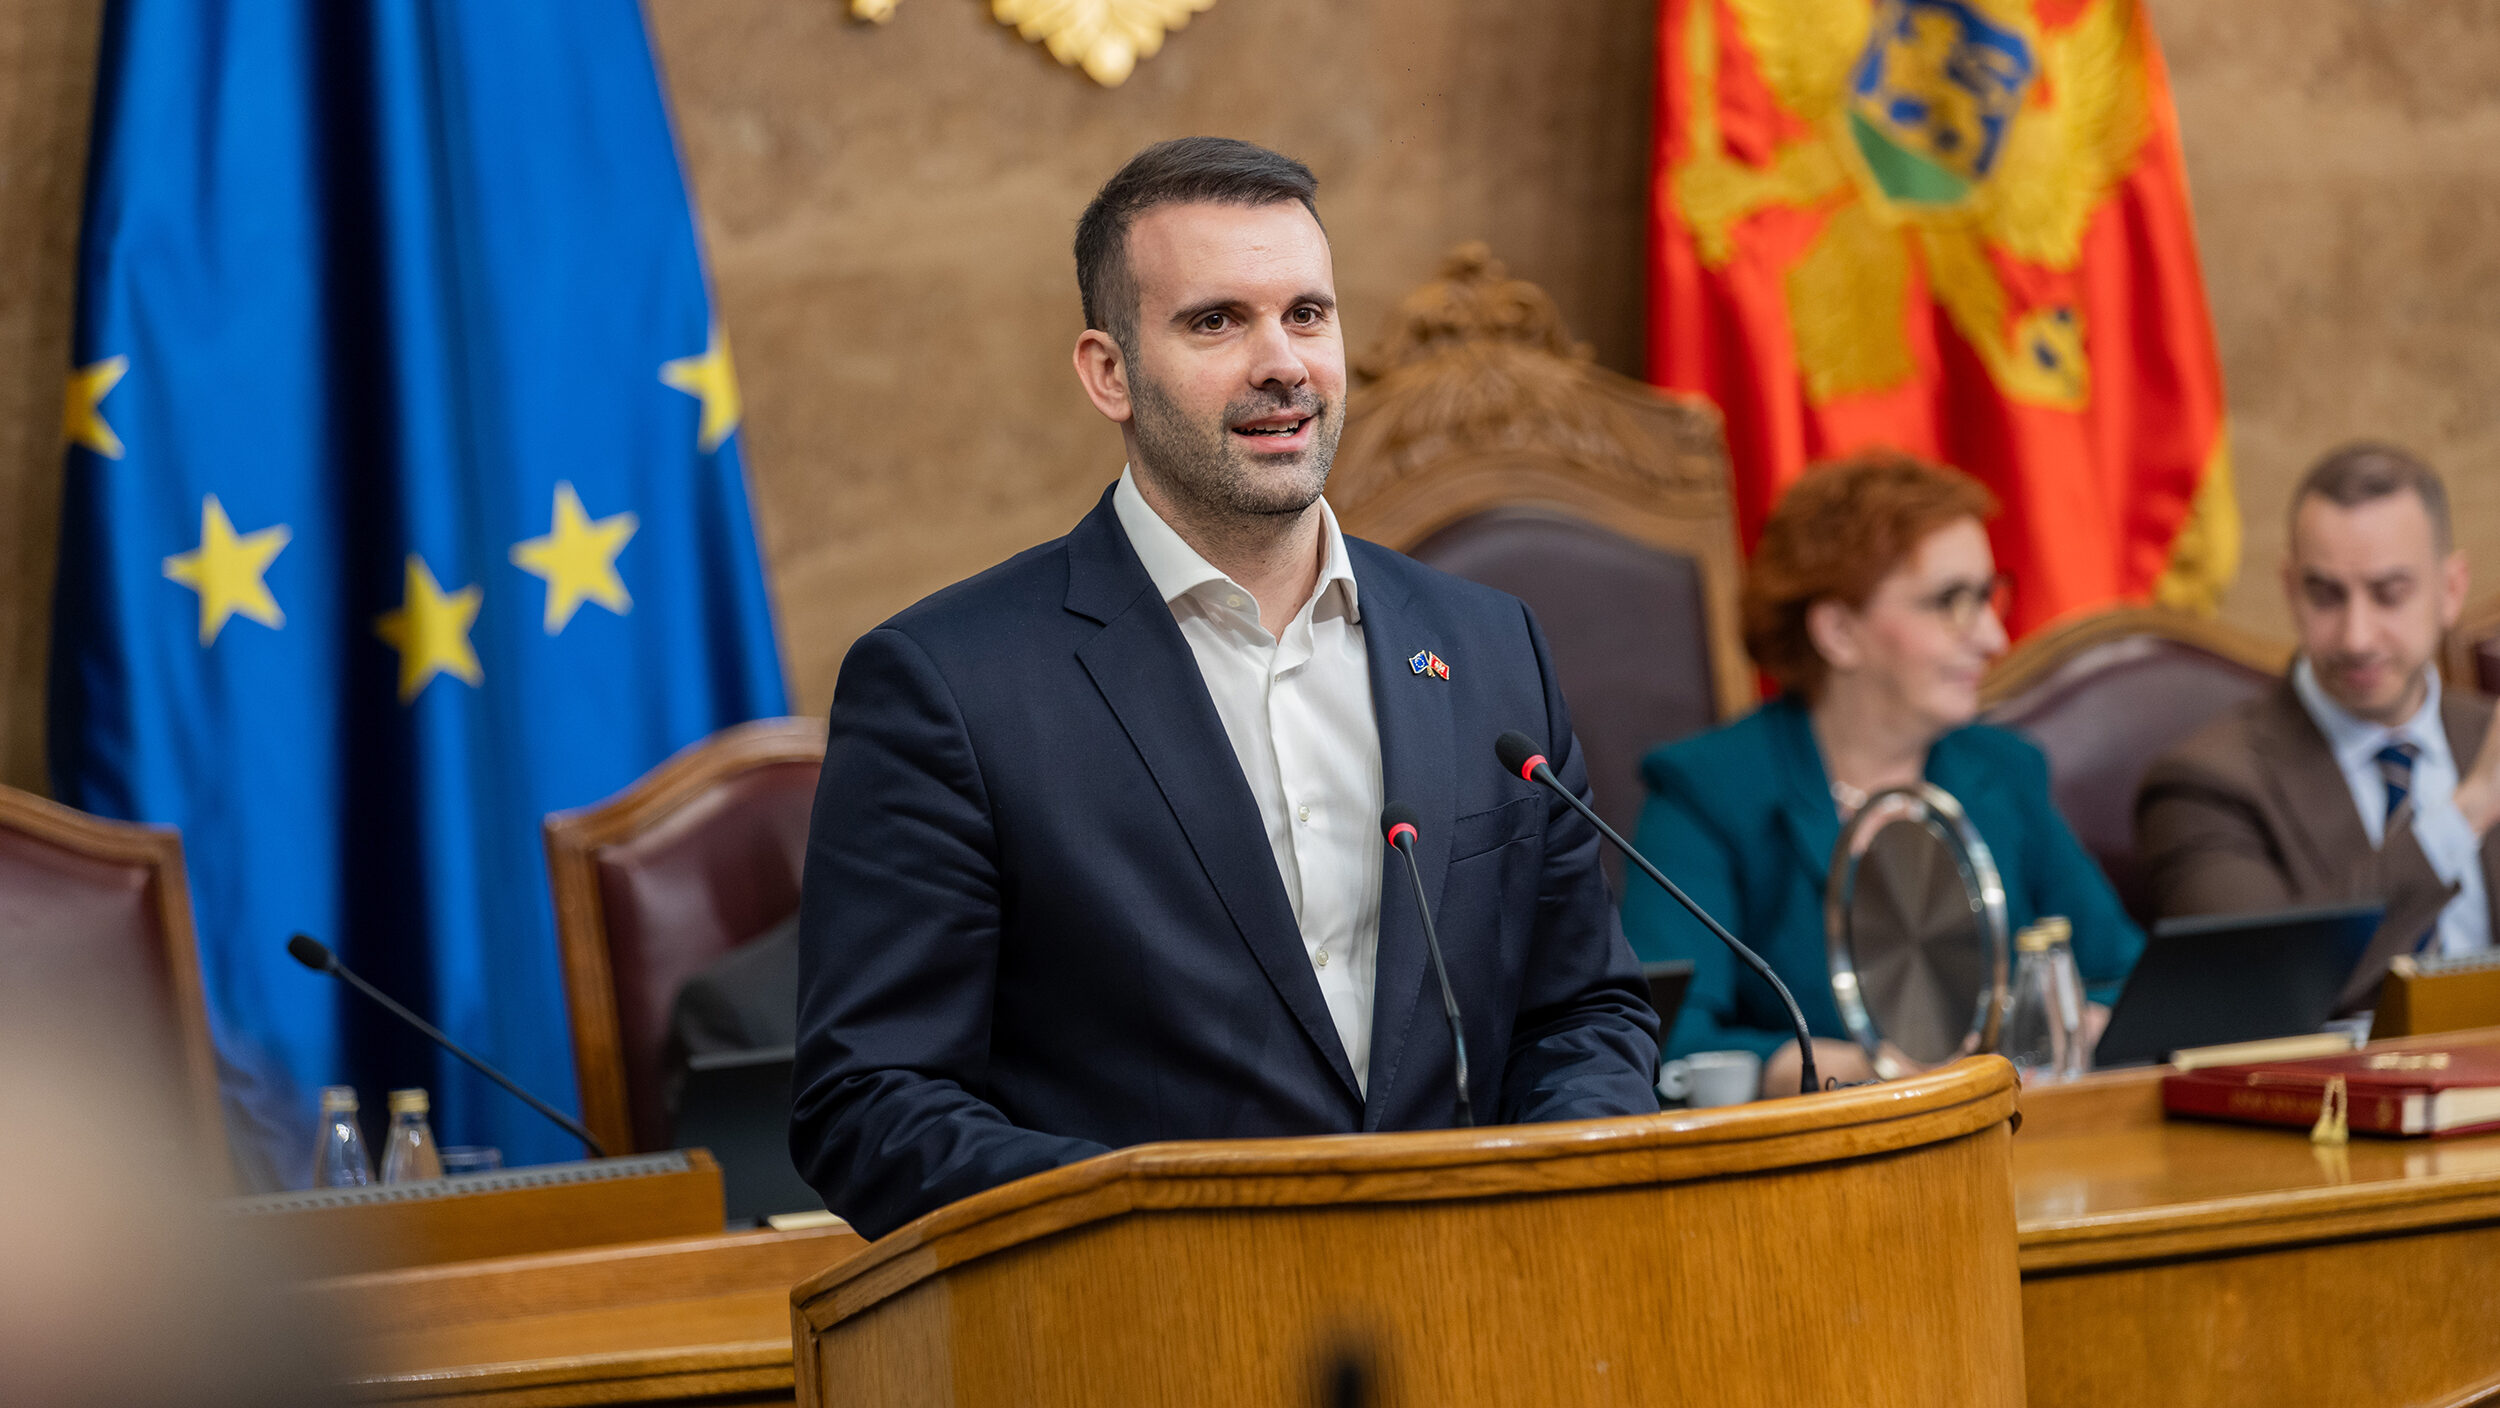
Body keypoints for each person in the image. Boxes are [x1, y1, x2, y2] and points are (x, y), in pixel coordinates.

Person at [790, 138, 1659, 1239]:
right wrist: (1169, 1229)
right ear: (1110, 372)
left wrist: (1557, 1195)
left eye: (1307, 314)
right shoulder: (948, 686)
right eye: (1216, 322)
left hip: (1486, 1303)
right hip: (1152, 1332)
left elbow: (1581, 1006)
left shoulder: (1486, 646)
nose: (1282, 363)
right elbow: (869, 1101)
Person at [1623, 454, 2142, 1096]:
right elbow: (1668, 1041)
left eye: (1987, 596)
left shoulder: (2003, 770)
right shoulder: (1708, 790)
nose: (1992, 638)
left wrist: (2068, 1026)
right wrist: (1895, 1078)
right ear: (1839, 631)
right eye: (1951, 602)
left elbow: (2125, 977)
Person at [2137, 444, 2498, 983]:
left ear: (2450, 590)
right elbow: (2257, 987)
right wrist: (2466, 814)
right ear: (2289, 589)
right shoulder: (2203, 783)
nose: (2356, 637)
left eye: (2389, 594)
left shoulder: (2482, 732)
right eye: (2325, 595)